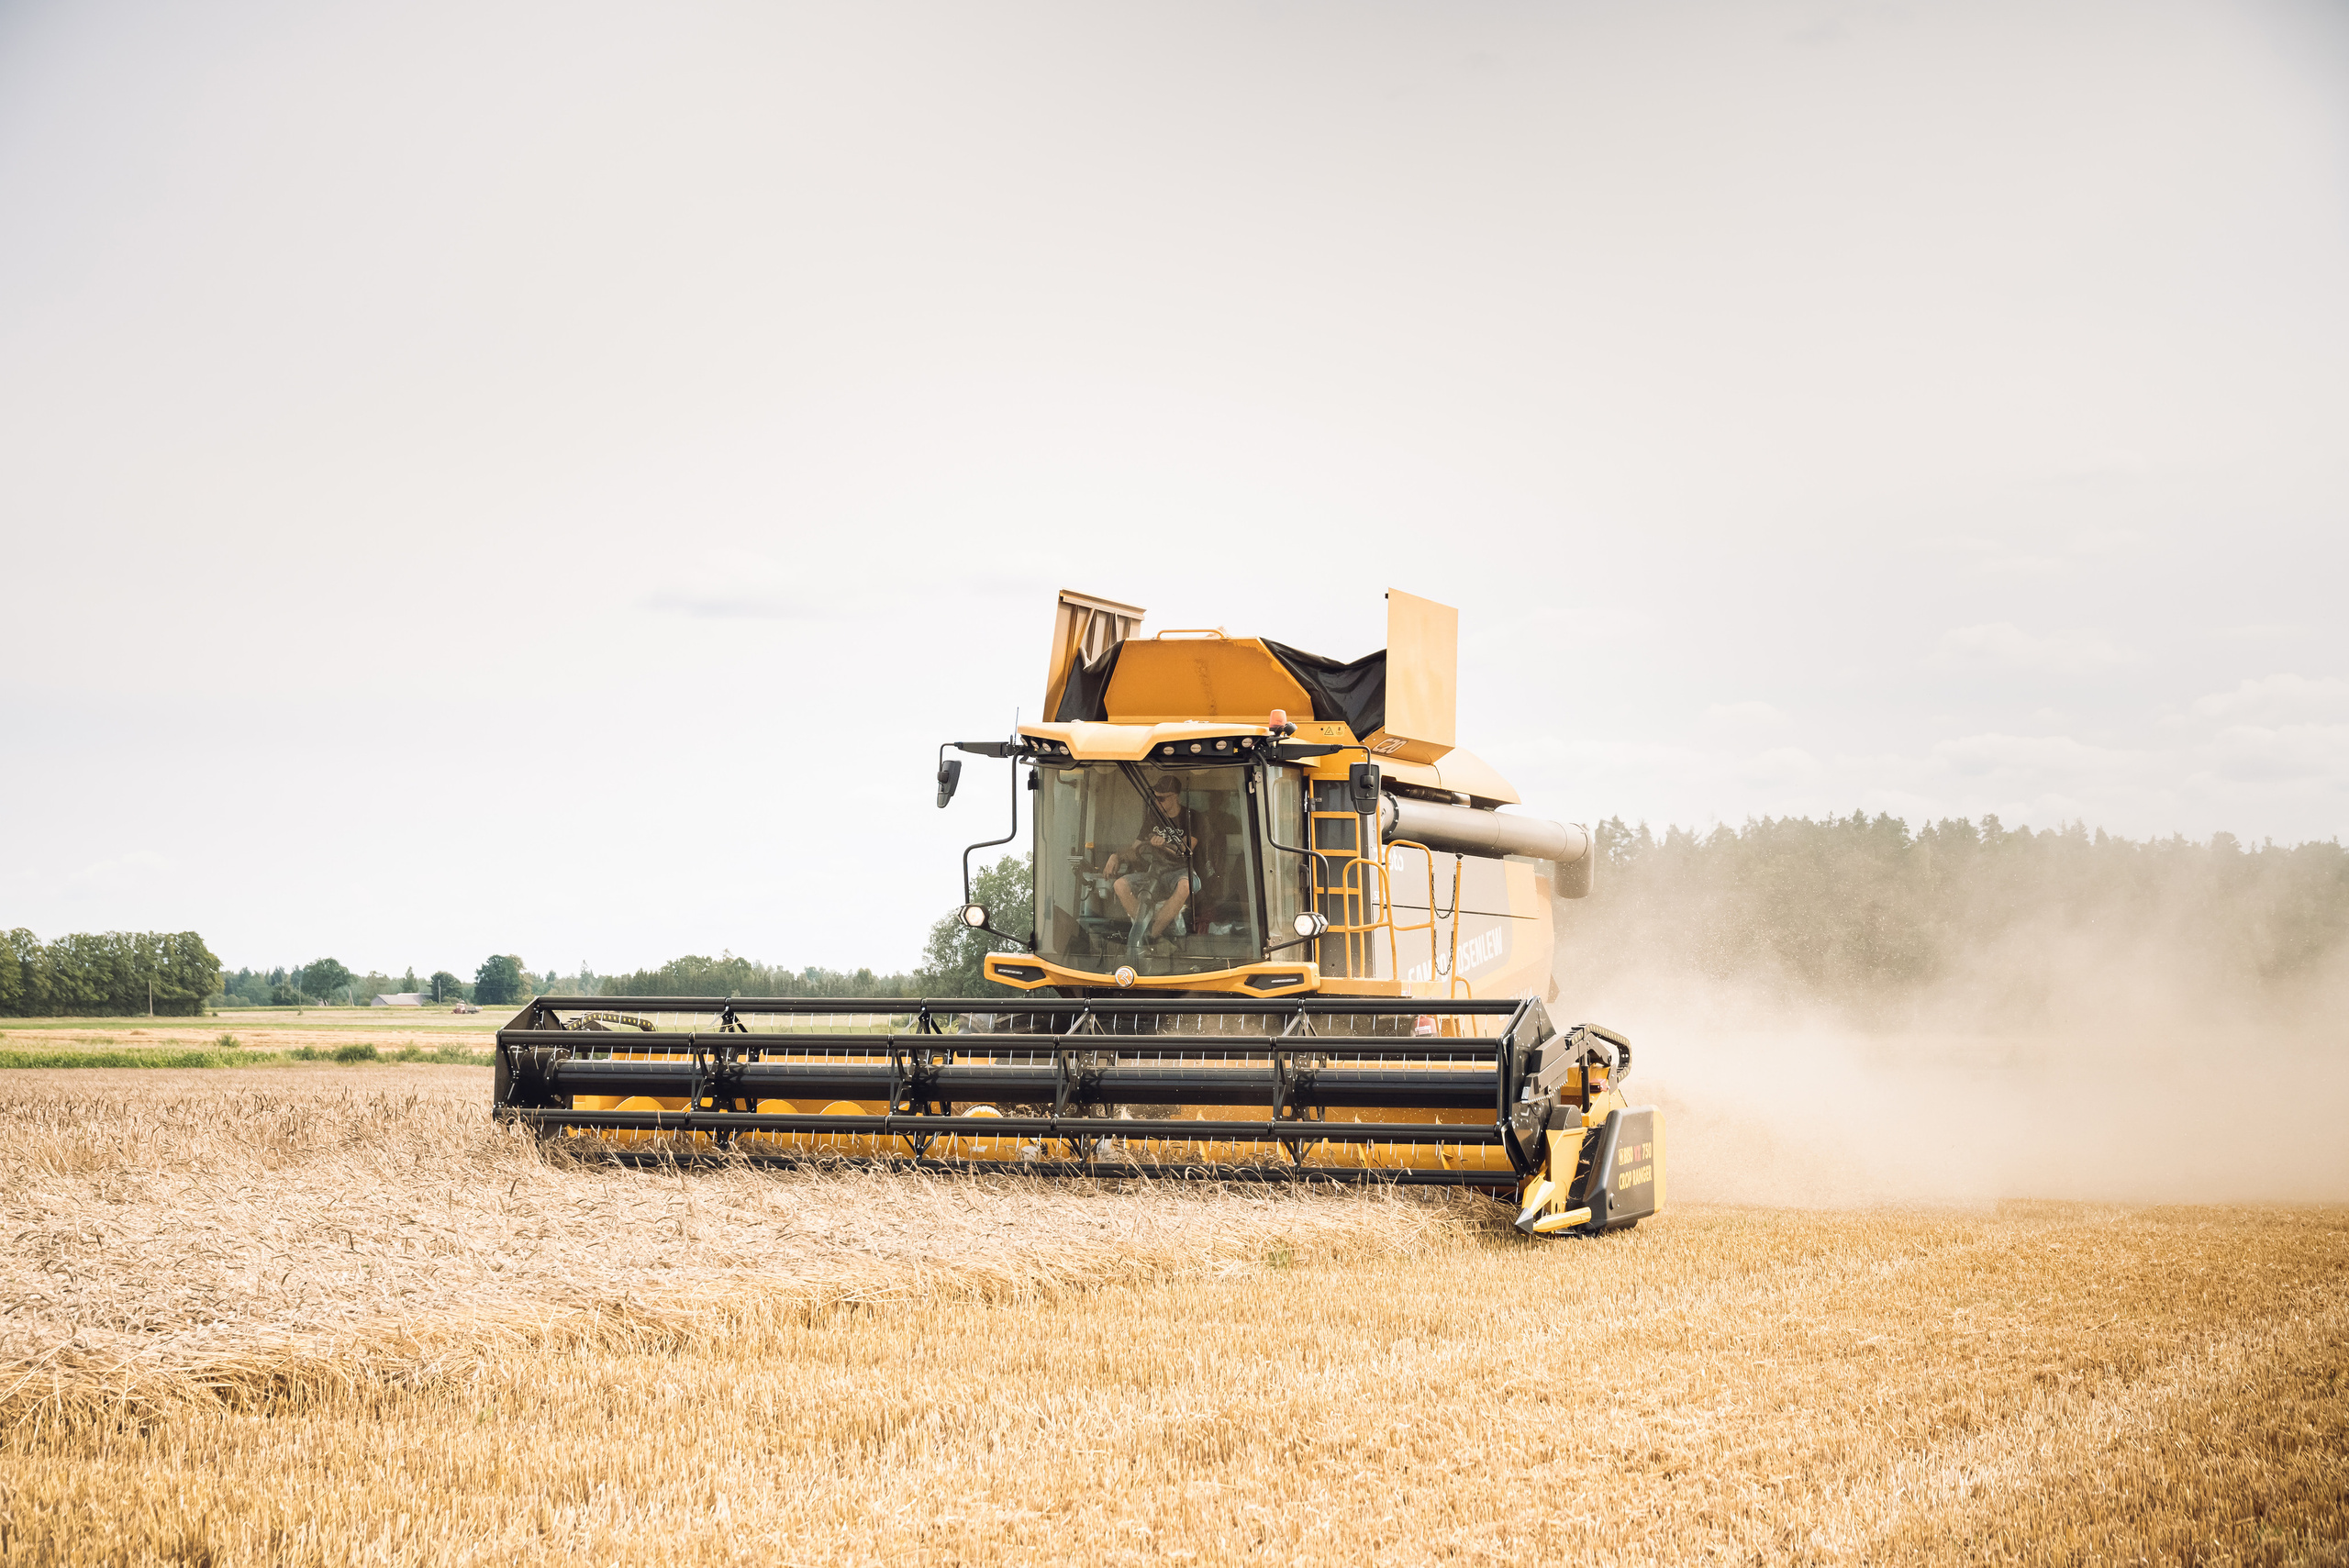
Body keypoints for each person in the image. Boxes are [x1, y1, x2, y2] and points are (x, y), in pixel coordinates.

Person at [1103, 775, 1194, 947]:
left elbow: (1187, 849)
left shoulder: (1191, 817)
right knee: (1120, 885)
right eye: (1155, 798)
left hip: (1181, 872)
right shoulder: (1153, 819)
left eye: (1161, 798)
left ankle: (1150, 937)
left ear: (1175, 797)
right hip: (1156, 873)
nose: (1157, 803)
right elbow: (1134, 849)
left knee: (1185, 886)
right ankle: (1147, 933)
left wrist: (1164, 844)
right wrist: (1116, 856)